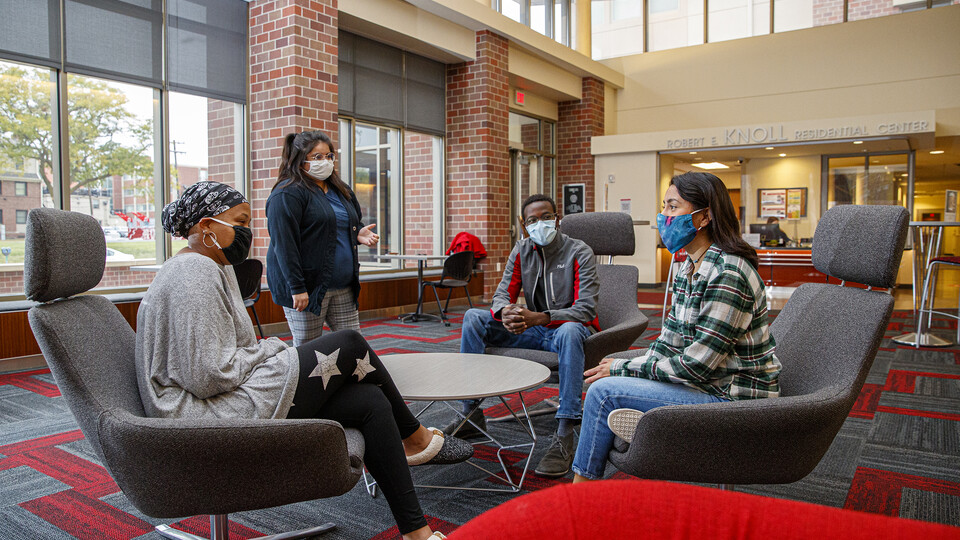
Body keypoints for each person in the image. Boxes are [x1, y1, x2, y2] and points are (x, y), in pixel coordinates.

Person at [137, 181, 471, 540]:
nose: (247, 232)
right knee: (349, 344)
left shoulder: (208, 265)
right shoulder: (193, 273)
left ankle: (416, 533)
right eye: (239, 221)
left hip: (221, 399)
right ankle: (416, 439)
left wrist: (268, 351)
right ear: (205, 226)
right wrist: (271, 349)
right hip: (204, 415)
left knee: (370, 401)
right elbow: (208, 375)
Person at [571, 171, 781, 483]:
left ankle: (578, 499)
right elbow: (669, 344)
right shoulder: (687, 267)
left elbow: (696, 366)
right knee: (611, 374)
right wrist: (625, 363)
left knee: (604, 393)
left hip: (734, 398)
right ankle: (642, 429)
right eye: (664, 207)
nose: (664, 217)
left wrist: (624, 370)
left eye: (673, 207)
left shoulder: (729, 272)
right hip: (709, 383)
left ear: (704, 216)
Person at [443, 194, 600, 478]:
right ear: (523, 224)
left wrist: (540, 317)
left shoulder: (579, 251)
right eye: (532, 220)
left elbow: (585, 309)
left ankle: (565, 432)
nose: (540, 224)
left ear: (558, 217)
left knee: (571, 329)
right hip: (533, 329)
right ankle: (470, 413)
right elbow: (503, 292)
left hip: (565, 331)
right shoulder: (521, 250)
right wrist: (505, 312)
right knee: (473, 318)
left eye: (546, 217)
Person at [266, 130, 380, 346]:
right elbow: (284, 245)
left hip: (343, 285)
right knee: (309, 350)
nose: (325, 162)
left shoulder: (340, 189)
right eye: (317, 157)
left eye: (329, 156)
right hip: (306, 288)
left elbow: (338, 225)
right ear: (300, 160)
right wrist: (297, 288)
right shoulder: (287, 193)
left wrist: (357, 233)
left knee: (354, 345)